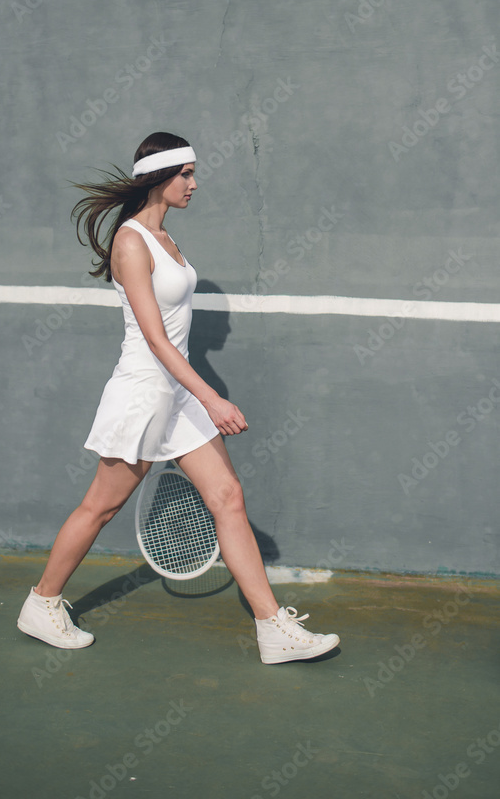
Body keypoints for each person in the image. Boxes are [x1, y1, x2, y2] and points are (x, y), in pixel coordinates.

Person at [17, 132, 340, 663]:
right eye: (185, 173)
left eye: (194, 172)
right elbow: (155, 338)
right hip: (144, 392)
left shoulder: (167, 239)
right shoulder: (130, 241)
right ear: (158, 177)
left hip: (179, 393)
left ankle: (272, 628)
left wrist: (198, 396)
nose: (194, 183)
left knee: (228, 497)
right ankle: (42, 603)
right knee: (101, 507)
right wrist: (213, 397)